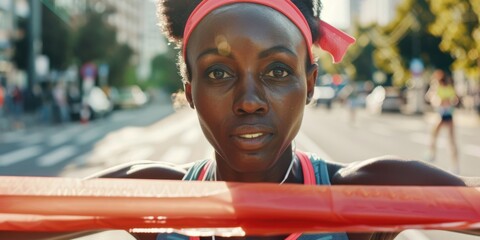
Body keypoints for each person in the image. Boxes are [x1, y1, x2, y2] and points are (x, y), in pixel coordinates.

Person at [2, 0, 478, 240]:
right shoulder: (153, 197)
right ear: (189, 90)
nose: (249, 100)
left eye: (276, 71)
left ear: (310, 83)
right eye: (219, 72)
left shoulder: (366, 196)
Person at [425, 70, 459, 173]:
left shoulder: (440, 88)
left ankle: (453, 165)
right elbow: (454, 100)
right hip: (446, 115)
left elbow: (433, 99)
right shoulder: (446, 88)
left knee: (438, 136)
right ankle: (433, 154)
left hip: (444, 115)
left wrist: (443, 101)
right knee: (445, 138)